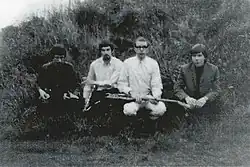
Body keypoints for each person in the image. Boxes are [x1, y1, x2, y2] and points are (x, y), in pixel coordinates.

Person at [24, 44, 82, 137]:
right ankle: (43, 129)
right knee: (43, 104)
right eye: (57, 58)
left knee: (74, 103)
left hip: (66, 94)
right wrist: (41, 91)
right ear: (52, 58)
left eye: (62, 58)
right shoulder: (46, 68)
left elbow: (77, 83)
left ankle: (71, 128)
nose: (59, 60)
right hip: (51, 95)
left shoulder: (69, 68)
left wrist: (73, 94)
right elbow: (38, 84)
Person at [118, 36, 167, 134]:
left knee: (161, 108)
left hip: (148, 98)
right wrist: (131, 93)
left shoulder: (153, 64)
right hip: (134, 99)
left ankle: (150, 128)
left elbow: (156, 84)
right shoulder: (127, 63)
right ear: (135, 48)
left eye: (144, 47)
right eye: (138, 47)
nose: (141, 50)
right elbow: (121, 84)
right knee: (129, 110)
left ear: (147, 49)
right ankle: (135, 130)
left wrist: (156, 96)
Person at [174, 43, 221, 125]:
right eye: (194, 56)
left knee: (206, 123)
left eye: (199, 56)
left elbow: (216, 90)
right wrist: (187, 98)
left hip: (205, 102)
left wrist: (205, 98)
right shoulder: (184, 69)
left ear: (205, 57)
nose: (196, 59)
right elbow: (177, 88)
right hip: (189, 102)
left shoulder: (213, 69)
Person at [83, 40, 123, 133]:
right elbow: (88, 84)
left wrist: (94, 82)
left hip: (114, 92)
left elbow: (110, 83)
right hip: (98, 92)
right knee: (88, 114)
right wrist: (85, 99)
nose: (106, 53)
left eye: (108, 50)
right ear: (100, 52)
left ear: (112, 51)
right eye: (103, 50)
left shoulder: (119, 64)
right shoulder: (94, 64)